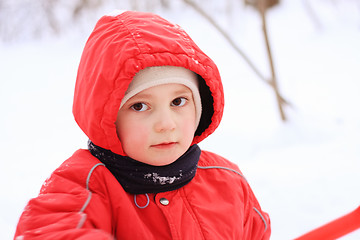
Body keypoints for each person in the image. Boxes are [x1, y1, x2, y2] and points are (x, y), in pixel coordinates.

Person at [14, 10, 271, 240]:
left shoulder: (227, 181)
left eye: (178, 101)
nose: (166, 124)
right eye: (139, 106)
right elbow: (50, 228)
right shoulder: (82, 184)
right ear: (107, 116)